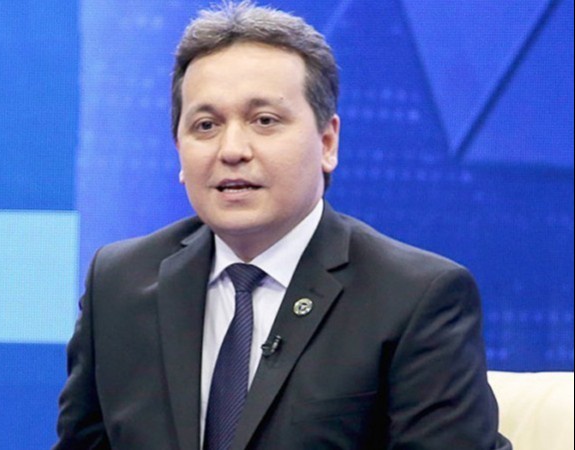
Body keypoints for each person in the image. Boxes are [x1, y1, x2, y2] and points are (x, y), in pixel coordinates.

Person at [54, 1, 512, 449]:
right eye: (206, 125)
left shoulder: (415, 299)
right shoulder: (119, 284)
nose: (232, 150)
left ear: (327, 142)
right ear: (179, 150)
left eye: (264, 120)